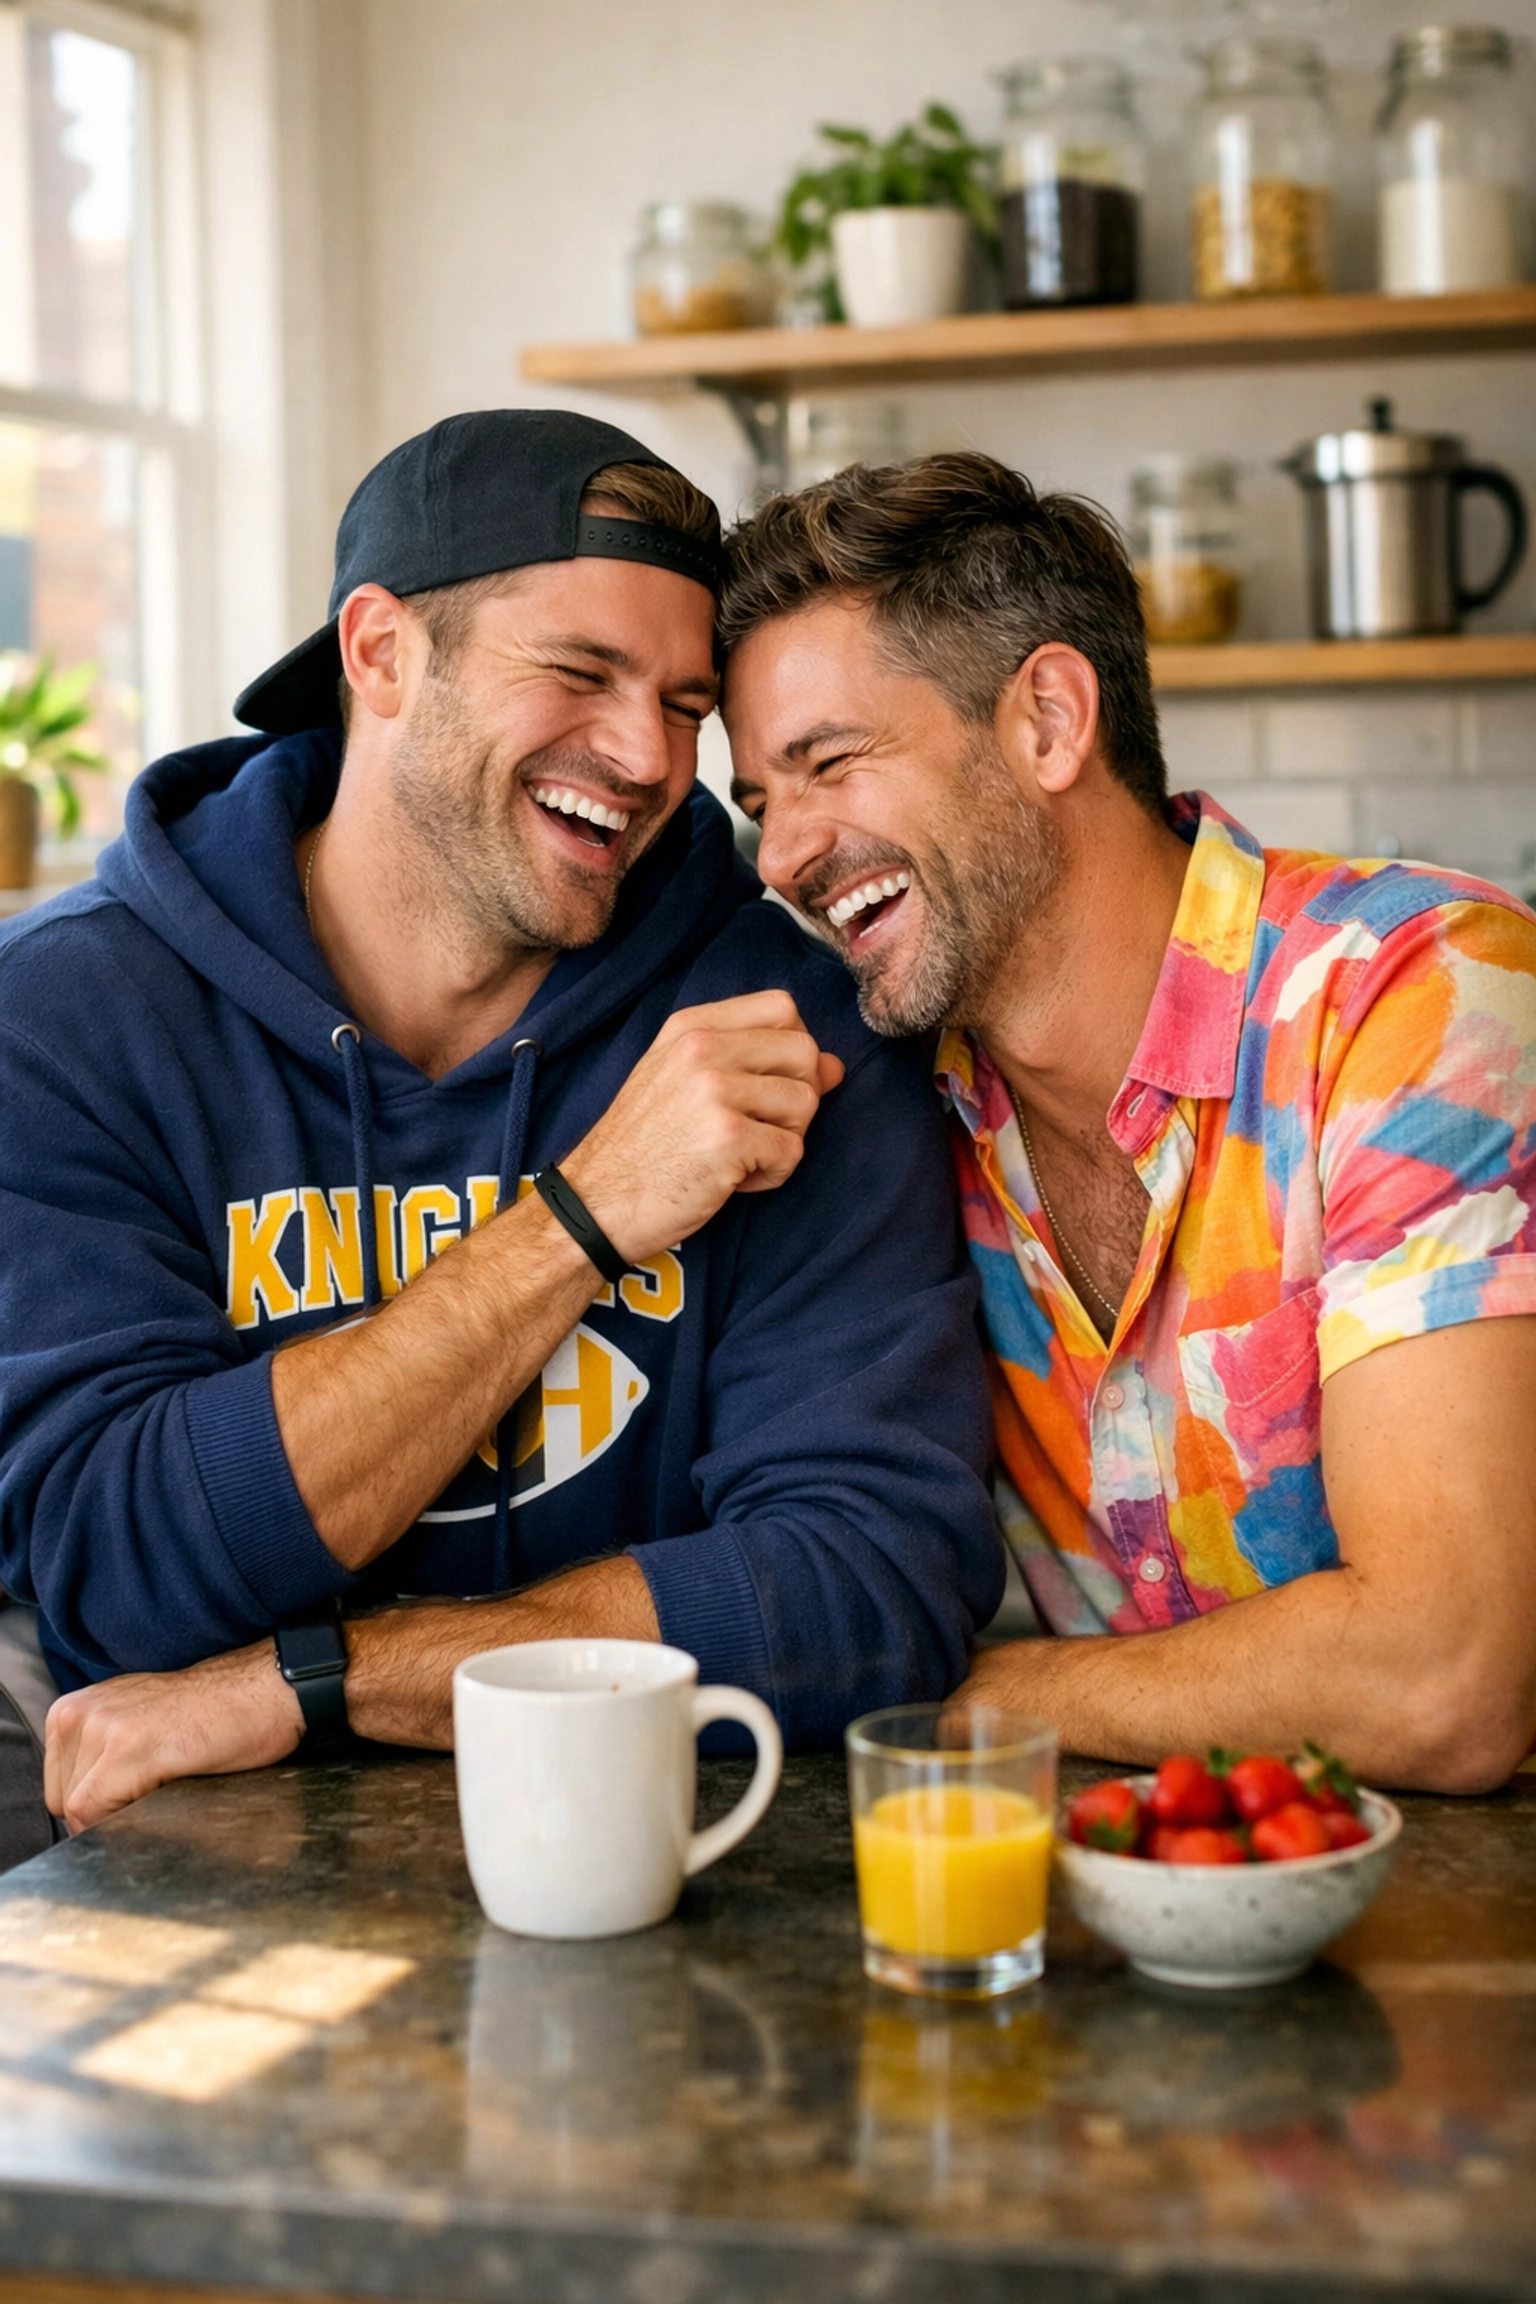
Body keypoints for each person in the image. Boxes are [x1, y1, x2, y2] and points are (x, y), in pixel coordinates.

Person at [0, 410, 1001, 1855]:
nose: (647, 756)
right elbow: (123, 1566)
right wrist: (581, 1218)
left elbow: (872, 1582)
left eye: (681, 703)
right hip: (199, 1878)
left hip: (673, 1847)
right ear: (380, 654)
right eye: (581, 674)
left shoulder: (786, 1025)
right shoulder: (75, 1016)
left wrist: (331, 1680)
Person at [720, 450, 1536, 1794]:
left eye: (830, 765)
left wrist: (990, 1691)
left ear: (1048, 719)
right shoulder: (891, 1113)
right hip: (1133, 1919)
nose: (785, 856)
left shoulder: (1413, 990)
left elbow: (1446, 1674)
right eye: (762, 801)